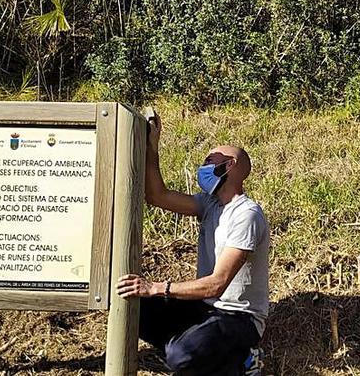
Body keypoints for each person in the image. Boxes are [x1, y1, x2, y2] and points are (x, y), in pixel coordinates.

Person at [115, 116, 270, 376]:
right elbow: (157, 196)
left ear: (229, 166)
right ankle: (201, 350)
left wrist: (156, 288)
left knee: (181, 356)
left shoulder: (247, 214)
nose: (202, 167)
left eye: (209, 161)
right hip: (205, 307)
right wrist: (153, 146)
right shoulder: (209, 204)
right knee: (133, 307)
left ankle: (244, 359)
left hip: (238, 318)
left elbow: (217, 283)